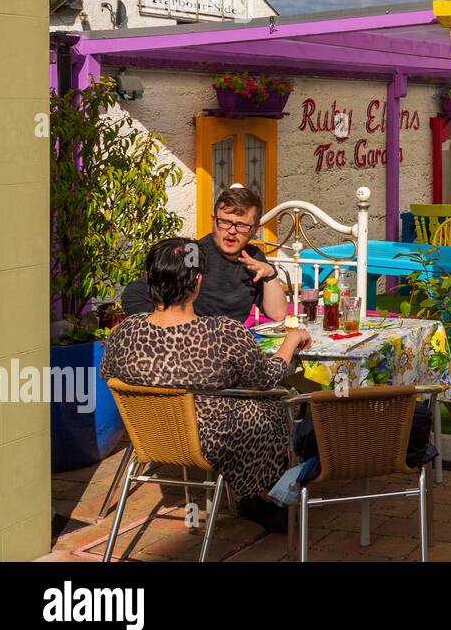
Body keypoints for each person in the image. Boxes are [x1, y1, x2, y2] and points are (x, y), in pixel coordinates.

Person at [101, 238, 310, 531]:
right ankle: (262, 494)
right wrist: (290, 342)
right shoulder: (223, 332)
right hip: (213, 441)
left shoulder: (123, 333)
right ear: (198, 282)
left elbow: (108, 373)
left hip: (152, 436)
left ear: (150, 279)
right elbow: (266, 378)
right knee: (280, 401)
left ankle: (257, 495)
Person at [121, 186, 287, 324]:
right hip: (193, 344)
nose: (231, 232)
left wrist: (269, 274)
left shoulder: (253, 258)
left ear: (255, 229)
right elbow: (135, 293)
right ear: (213, 220)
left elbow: (278, 314)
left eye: (241, 225)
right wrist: (163, 330)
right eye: (224, 222)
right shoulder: (193, 253)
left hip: (230, 344)